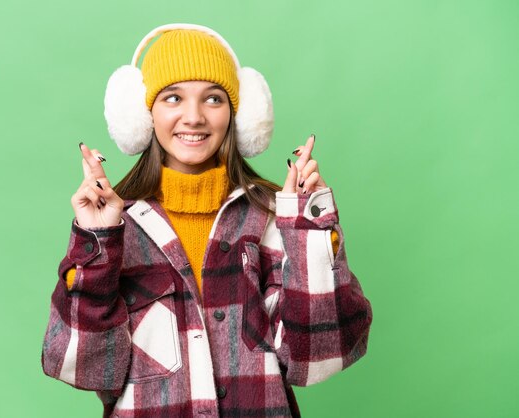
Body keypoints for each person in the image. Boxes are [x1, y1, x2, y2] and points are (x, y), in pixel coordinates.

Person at [42, 23, 372, 418]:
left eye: (213, 99)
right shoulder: (116, 226)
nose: (194, 117)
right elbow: (87, 369)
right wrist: (96, 241)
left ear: (239, 115)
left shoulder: (270, 218)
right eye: (173, 97)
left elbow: (320, 355)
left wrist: (307, 230)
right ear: (142, 113)